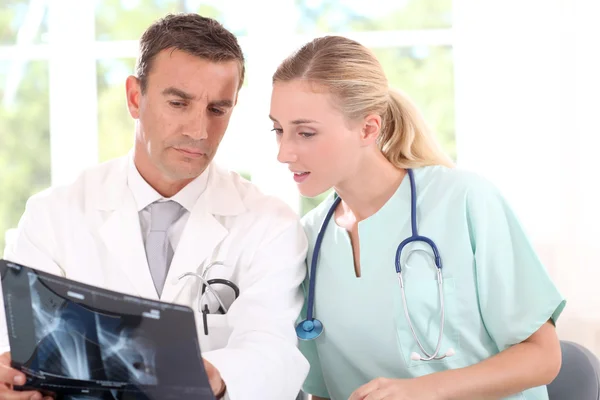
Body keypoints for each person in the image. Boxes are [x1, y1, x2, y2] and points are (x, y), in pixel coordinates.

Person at [0, 13, 309, 400]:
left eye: (218, 109)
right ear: (134, 97)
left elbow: (275, 353)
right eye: (178, 102)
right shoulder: (53, 215)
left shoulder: (270, 224)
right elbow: (14, 347)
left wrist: (214, 374)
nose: (199, 131)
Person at [269, 35, 566, 400]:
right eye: (278, 130)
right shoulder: (307, 240)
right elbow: (322, 389)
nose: (284, 153)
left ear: (368, 128)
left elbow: (542, 356)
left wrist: (423, 391)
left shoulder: (464, 201)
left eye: (306, 133)